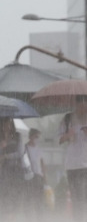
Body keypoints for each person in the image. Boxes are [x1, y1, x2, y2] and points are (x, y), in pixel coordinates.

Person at [58, 94, 87, 222]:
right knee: (76, 197)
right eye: (80, 104)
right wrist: (68, 135)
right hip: (71, 165)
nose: (83, 107)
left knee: (82, 195)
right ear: (76, 104)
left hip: (85, 165)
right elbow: (59, 139)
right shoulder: (68, 118)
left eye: (85, 104)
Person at [0, 117, 25, 220]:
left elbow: (20, 153)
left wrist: (7, 156)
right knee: (3, 200)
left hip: (15, 172)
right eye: (5, 124)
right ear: (0, 125)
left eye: (9, 124)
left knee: (13, 200)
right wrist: (1, 147)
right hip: (1, 173)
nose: (7, 126)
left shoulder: (17, 136)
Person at [24, 128, 46, 220]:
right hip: (30, 177)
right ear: (31, 136)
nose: (37, 138)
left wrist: (45, 176)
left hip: (39, 176)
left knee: (39, 200)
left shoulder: (39, 148)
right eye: (35, 136)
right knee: (29, 200)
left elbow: (42, 162)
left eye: (38, 137)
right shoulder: (25, 148)